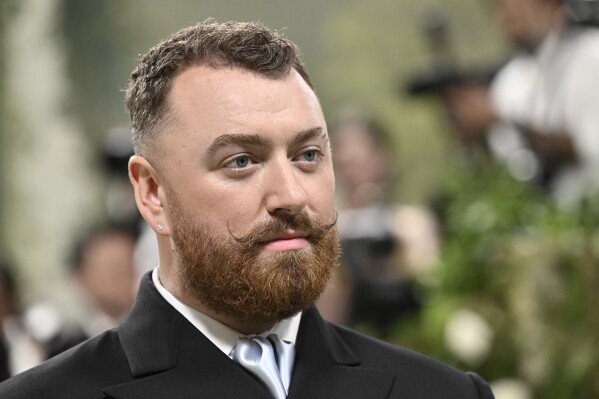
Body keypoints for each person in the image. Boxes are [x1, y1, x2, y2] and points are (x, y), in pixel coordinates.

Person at [0, 20, 494, 398]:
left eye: (307, 156)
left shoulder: (445, 392)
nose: (291, 196)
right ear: (152, 193)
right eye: (241, 161)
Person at [447, 0, 599, 206]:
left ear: (552, 8)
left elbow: (585, 147)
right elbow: (510, 166)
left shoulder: (589, 55)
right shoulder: (509, 80)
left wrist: (506, 122)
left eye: (520, 8)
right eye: (502, 10)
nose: (510, 18)